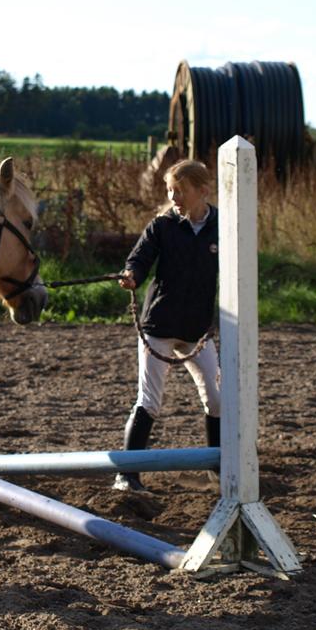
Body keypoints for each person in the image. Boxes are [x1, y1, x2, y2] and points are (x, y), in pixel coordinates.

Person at [114, 159, 220, 493]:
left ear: (202, 190)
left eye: (180, 190)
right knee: (149, 400)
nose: (174, 197)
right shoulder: (162, 226)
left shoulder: (223, 227)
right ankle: (127, 476)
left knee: (217, 399)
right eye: (170, 190)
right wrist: (132, 275)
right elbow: (140, 258)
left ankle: (219, 471)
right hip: (159, 325)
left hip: (197, 330)